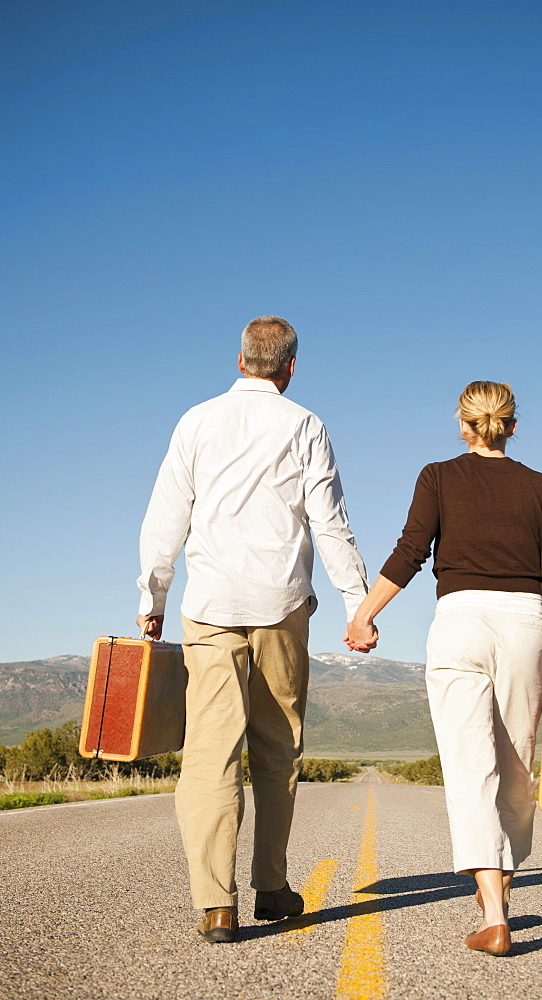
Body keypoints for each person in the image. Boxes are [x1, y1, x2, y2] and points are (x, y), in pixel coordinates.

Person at [137, 316, 370, 943]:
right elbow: (329, 522)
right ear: (290, 369)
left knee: (211, 751)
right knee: (277, 748)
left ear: (240, 360)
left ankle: (216, 904)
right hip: (282, 602)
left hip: (209, 603)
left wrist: (153, 592)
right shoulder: (305, 425)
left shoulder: (195, 421)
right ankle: (271, 885)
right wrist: (357, 600)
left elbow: (167, 514)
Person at [346, 380, 542, 957]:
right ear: (512, 424)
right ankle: (499, 890)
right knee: (516, 767)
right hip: (525, 625)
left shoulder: (437, 476)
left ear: (464, 424)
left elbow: (411, 550)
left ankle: (495, 914)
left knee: (468, 765)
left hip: (459, 622)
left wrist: (364, 615)